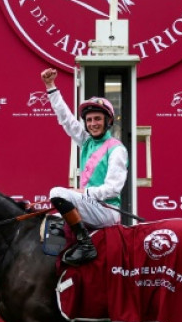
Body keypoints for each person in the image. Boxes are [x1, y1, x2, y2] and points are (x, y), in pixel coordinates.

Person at [40, 68, 129, 266]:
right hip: (91, 206)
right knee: (53, 220)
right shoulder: (87, 141)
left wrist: (83, 192)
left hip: (107, 211)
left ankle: (86, 246)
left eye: (98, 119)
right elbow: (66, 120)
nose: (93, 123)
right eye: (89, 120)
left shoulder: (117, 149)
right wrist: (51, 87)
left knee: (57, 192)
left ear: (108, 121)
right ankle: (55, 267)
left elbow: (113, 189)